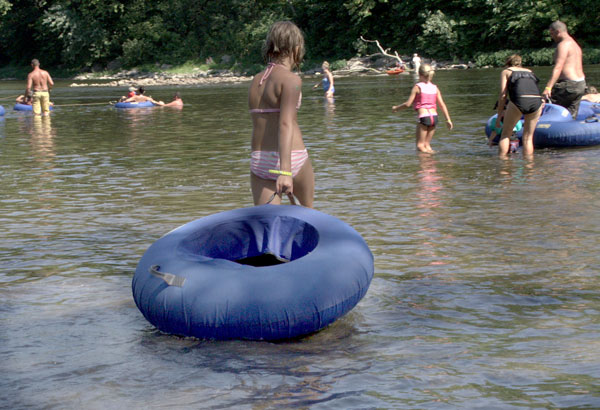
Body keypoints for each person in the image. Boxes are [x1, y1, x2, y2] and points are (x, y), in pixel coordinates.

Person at [248, 21, 314, 207]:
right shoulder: (291, 80)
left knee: (266, 227)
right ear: (296, 47)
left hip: (260, 161)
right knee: (309, 216)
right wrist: (285, 172)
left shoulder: (256, 81)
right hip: (291, 158)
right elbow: (286, 124)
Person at [392, 64, 453, 153]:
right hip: (434, 117)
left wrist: (396, 108)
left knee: (420, 145)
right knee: (427, 145)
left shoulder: (417, 87)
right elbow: (442, 105)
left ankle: (427, 163)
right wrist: (448, 120)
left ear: (419, 74)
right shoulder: (435, 88)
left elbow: (408, 104)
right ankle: (431, 163)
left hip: (424, 117)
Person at [495, 54, 543, 157]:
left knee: (505, 134)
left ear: (507, 63)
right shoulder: (530, 71)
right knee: (528, 137)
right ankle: (529, 167)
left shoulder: (506, 72)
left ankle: (503, 163)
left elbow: (503, 95)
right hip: (536, 101)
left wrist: (499, 114)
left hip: (519, 100)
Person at [542, 21, 586, 119]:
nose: (552, 37)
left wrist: (548, 87)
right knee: (571, 116)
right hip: (580, 84)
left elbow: (558, 67)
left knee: (545, 106)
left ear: (558, 31)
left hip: (568, 85)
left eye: (552, 34)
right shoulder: (575, 44)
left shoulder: (563, 45)